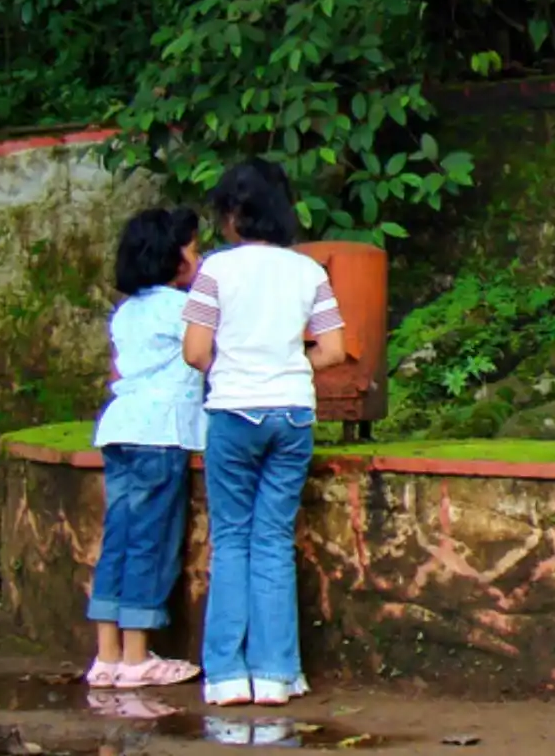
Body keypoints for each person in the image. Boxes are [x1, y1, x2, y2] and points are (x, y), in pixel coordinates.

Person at [182, 159, 347, 707]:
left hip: (234, 414)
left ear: (232, 213)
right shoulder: (309, 273)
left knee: (232, 540)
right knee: (274, 539)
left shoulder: (215, 271)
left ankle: (227, 674)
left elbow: (196, 351)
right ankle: (276, 674)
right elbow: (334, 350)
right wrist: (286, 360)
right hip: (293, 416)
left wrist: (238, 366)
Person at [85, 207, 206, 690]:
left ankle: (107, 655)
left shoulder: (127, 311)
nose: (199, 256)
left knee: (118, 536)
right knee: (150, 542)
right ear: (173, 257)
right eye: (194, 248)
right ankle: (138, 658)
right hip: (160, 432)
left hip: (119, 429)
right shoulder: (181, 309)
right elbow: (207, 355)